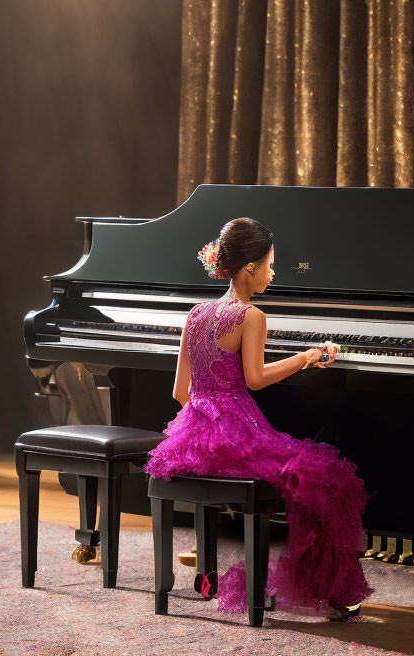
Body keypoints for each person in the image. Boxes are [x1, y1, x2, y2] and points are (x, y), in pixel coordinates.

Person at [144, 217, 372, 621]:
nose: (273, 272)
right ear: (249, 266)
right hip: (235, 435)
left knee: (311, 472)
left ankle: (322, 586)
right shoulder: (251, 316)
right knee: (325, 475)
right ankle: (333, 590)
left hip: (192, 437)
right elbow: (256, 379)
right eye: (270, 264)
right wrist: (306, 357)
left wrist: (202, 424)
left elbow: (181, 392)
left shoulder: (196, 314)